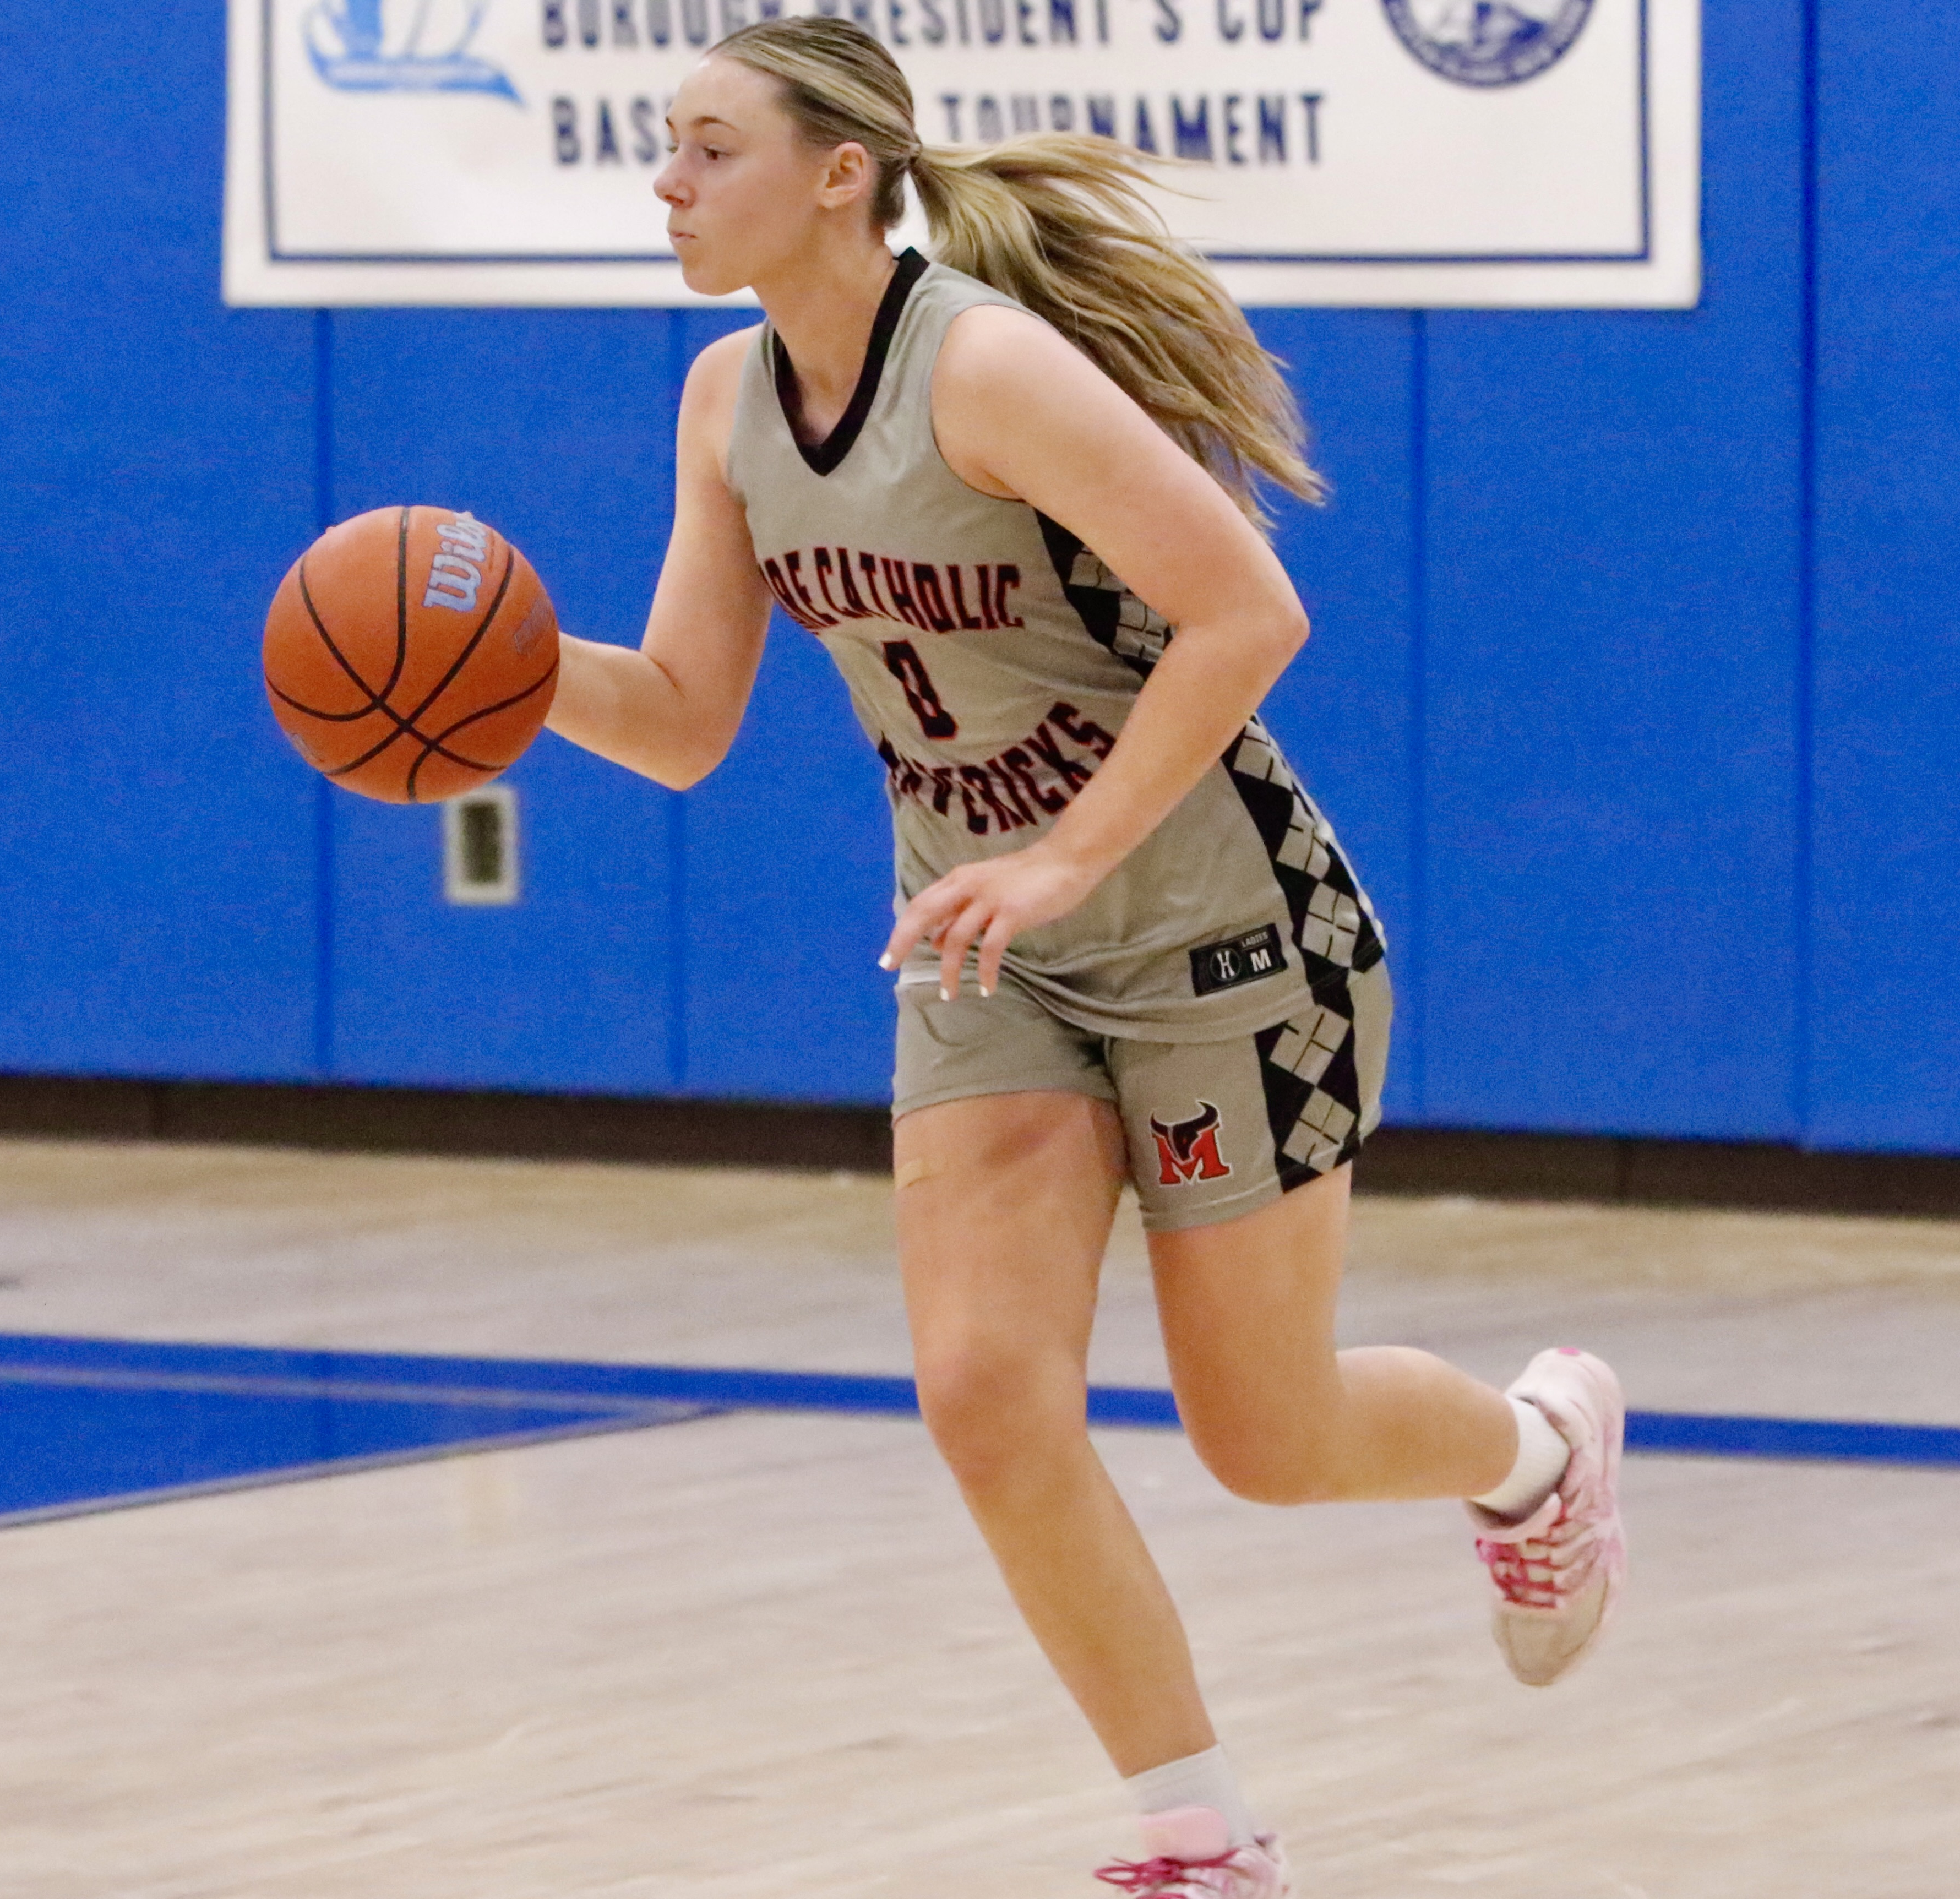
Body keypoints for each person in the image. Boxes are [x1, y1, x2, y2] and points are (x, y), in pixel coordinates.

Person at [542, 17, 1627, 1893]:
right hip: (993, 954)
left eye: (709, 147)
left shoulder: (987, 367)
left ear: (838, 173)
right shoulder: (725, 398)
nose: (668, 182)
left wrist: (1066, 851)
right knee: (980, 1387)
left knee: (1265, 1438)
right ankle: (1199, 1833)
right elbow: (686, 714)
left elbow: (1245, 609)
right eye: (665, 147)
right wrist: (502, 673)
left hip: (1229, 942)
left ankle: (1537, 1451)